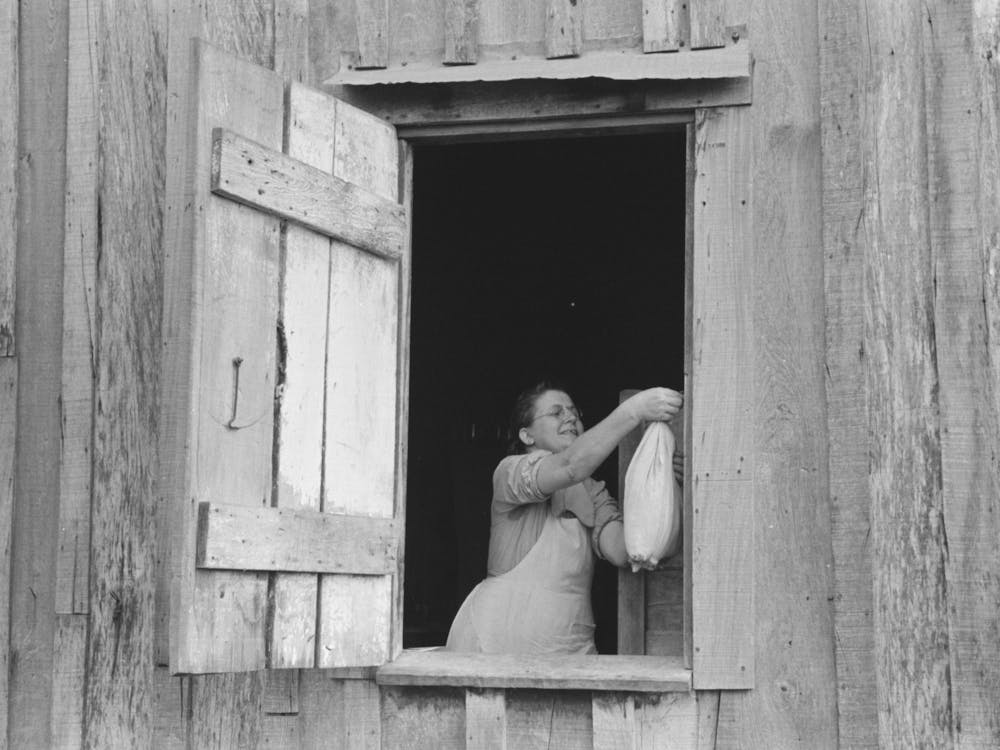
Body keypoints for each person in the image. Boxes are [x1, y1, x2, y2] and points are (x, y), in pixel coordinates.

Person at [445, 382, 683, 655]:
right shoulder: (510, 473)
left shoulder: (593, 492)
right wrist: (633, 411)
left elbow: (623, 551)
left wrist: (666, 485)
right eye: (556, 413)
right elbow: (570, 466)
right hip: (497, 645)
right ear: (527, 435)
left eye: (574, 412)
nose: (570, 417)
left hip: (567, 649)